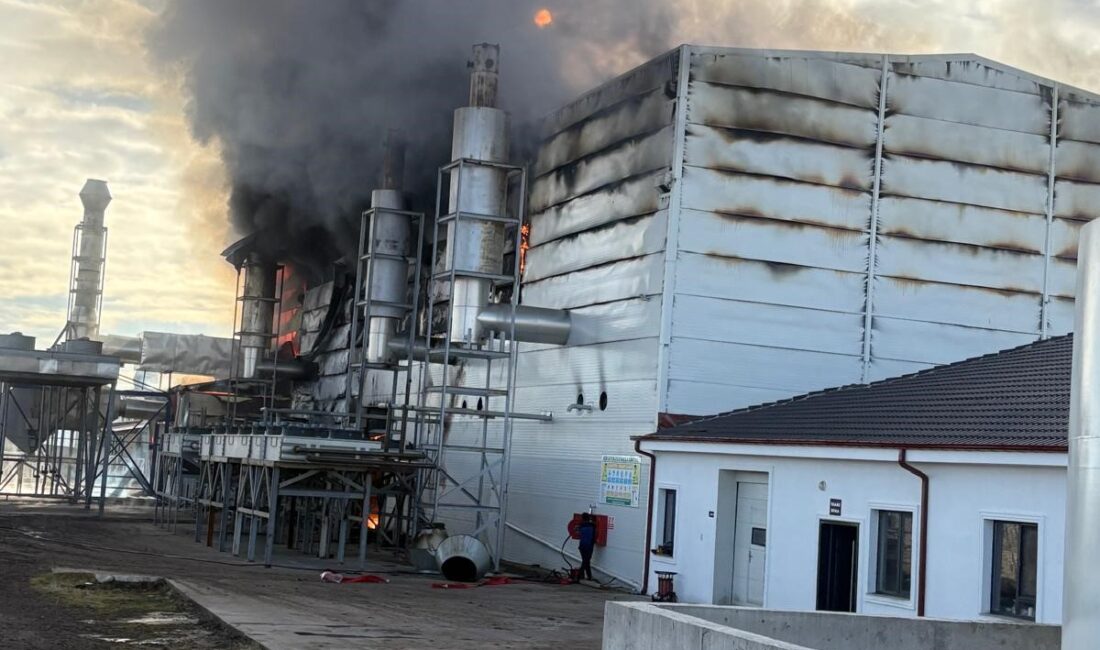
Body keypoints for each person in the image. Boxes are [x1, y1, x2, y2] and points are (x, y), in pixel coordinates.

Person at [577, 512, 597, 581]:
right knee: (586, 561)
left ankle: (588, 576)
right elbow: (595, 536)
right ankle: (579, 575)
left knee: (586, 561)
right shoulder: (593, 526)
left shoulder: (581, 525)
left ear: (582, 518)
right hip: (589, 546)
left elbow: (577, 532)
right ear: (589, 518)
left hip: (582, 546)